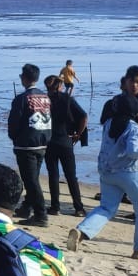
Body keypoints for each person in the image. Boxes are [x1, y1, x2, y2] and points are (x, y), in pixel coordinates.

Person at [67, 67, 138, 260]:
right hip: (130, 172)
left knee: (106, 208)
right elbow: (134, 151)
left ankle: (82, 232)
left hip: (107, 171)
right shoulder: (134, 127)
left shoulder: (109, 124)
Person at [8, 63, 52, 226]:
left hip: (27, 143)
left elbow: (14, 122)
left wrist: (14, 137)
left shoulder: (22, 98)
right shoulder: (45, 97)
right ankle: (27, 206)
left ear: (24, 78)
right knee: (32, 178)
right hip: (42, 141)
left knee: (31, 180)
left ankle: (41, 214)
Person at [45, 75, 87, 217]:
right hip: (65, 141)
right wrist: (78, 134)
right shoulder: (67, 99)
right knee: (71, 176)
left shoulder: (44, 101)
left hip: (49, 141)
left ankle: (55, 207)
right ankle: (79, 207)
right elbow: (83, 116)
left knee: (53, 175)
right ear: (59, 86)